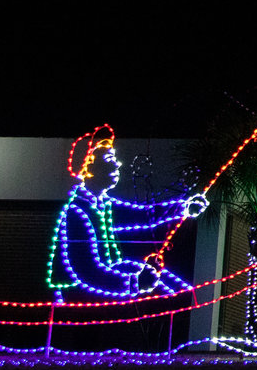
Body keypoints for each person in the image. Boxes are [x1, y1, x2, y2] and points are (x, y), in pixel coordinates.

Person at [46, 125, 207, 299]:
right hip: (77, 295)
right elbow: (87, 272)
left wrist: (183, 207)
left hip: (103, 283)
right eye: (109, 159)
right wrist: (133, 282)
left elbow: (142, 215)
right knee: (158, 293)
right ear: (88, 168)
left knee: (169, 284)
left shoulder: (104, 204)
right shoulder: (76, 212)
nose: (118, 164)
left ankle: (192, 300)